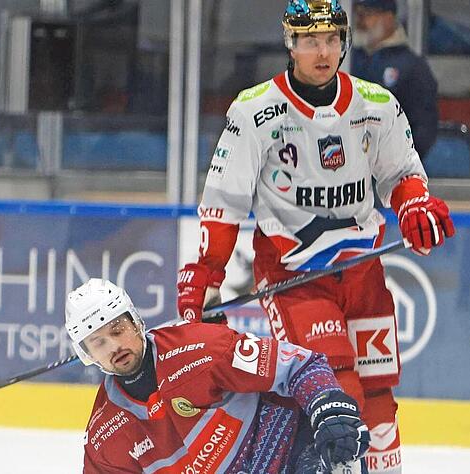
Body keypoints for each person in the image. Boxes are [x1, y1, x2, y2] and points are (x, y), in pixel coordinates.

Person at [176, 2, 455, 473]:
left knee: (380, 394)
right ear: (290, 44)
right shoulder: (254, 111)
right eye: (309, 41)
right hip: (293, 272)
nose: (322, 52)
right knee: (336, 386)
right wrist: (206, 275)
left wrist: (415, 204)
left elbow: (403, 173)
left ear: (344, 42)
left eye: (330, 40)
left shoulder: (377, 105)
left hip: (362, 270)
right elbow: (224, 202)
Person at [69, 278, 371, 473]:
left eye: (118, 330)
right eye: (98, 342)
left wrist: (328, 407)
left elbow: (301, 365)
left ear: (136, 323)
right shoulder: (105, 436)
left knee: (339, 452)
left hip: (293, 452)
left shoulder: (200, 348)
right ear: (87, 355)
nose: (115, 346)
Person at [350, 0, 439, 159]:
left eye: (368, 14)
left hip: (390, 170)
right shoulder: (347, 60)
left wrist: (398, 164)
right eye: (358, 14)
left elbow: (424, 127)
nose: (361, 21)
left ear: (389, 17)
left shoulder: (412, 66)